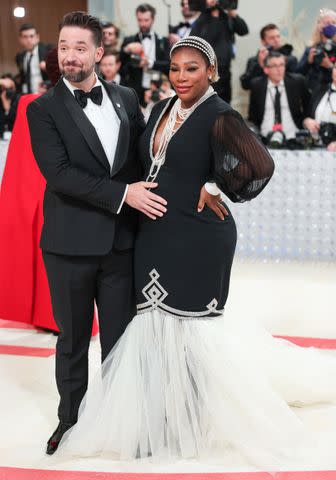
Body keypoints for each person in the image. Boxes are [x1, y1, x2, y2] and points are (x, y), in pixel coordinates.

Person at [26, 10, 162, 455]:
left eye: (80, 47)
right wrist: (125, 195)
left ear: (99, 53)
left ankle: (124, 422)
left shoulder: (125, 96)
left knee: (121, 342)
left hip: (121, 244)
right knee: (71, 341)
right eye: (63, 47)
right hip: (68, 245)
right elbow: (60, 175)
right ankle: (70, 421)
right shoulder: (43, 108)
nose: (69, 55)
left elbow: (143, 160)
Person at [190, 0, 249, 103]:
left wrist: (232, 13)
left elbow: (243, 30)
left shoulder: (226, 17)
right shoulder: (202, 19)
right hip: (207, 72)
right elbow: (194, 41)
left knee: (225, 106)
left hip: (225, 71)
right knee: (207, 105)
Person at [248, 51, 310, 143]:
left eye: (282, 65)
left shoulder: (297, 82)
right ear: (266, 69)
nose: (279, 69)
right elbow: (253, 116)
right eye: (274, 66)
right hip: (265, 137)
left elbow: (308, 104)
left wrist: (307, 120)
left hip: (293, 137)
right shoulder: (257, 85)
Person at [120, 3, 170, 105]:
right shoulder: (129, 40)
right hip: (135, 90)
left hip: (158, 89)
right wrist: (127, 49)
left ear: (153, 19)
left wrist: (149, 63)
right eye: (140, 20)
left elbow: (168, 65)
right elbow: (119, 64)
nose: (143, 24)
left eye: (146, 20)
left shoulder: (163, 41)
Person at [240, 23, 298, 90]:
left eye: (278, 36)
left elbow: (293, 82)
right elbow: (246, 85)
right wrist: (260, 65)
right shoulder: (253, 61)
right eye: (272, 38)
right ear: (263, 42)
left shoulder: (290, 59)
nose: (276, 40)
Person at [296, 8, 336, 92]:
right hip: (314, 93)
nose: (331, 25)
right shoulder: (312, 47)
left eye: (334, 23)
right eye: (327, 23)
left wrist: (329, 66)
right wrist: (308, 62)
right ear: (320, 26)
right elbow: (298, 73)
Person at [304, 62, 336, 151]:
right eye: (335, 68)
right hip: (314, 147)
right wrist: (307, 121)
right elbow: (306, 115)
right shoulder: (320, 89)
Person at [15, 23, 53, 94]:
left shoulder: (49, 50)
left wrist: (48, 66)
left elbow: (59, 74)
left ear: (37, 37)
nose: (29, 40)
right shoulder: (19, 57)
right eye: (25, 37)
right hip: (29, 96)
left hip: (47, 94)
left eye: (31, 36)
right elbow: (22, 78)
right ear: (20, 39)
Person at [0, 74, 21, 139]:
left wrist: (8, 108)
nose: (7, 91)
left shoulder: (19, 99)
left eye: (10, 88)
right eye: (4, 88)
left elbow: (16, 120)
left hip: (15, 136)